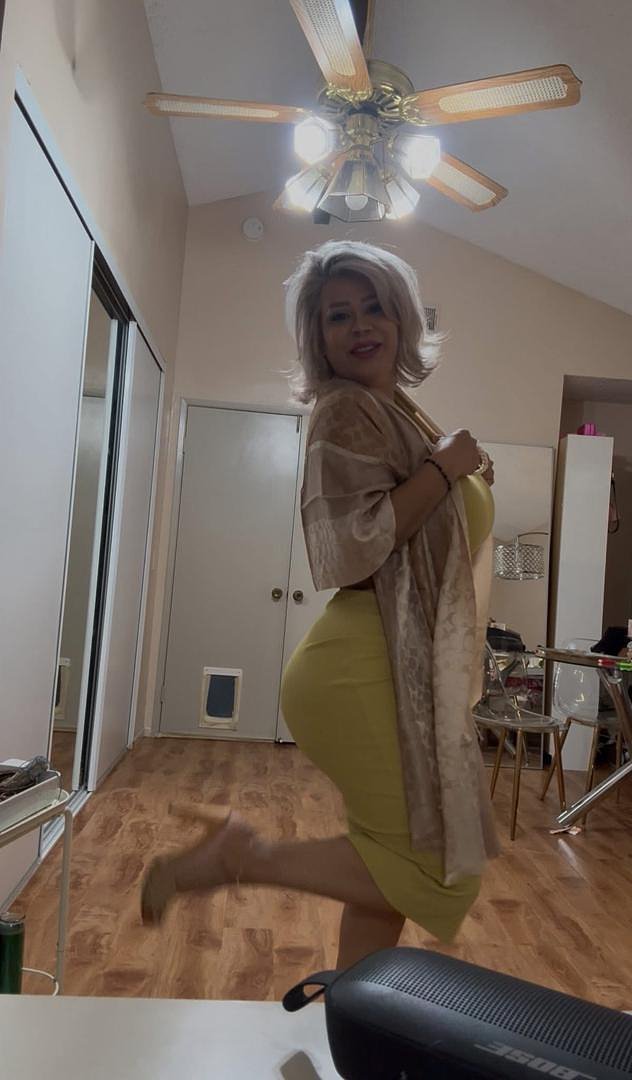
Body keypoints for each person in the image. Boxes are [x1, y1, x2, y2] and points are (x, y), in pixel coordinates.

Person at [141, 239, 499, 970]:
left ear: (401, 320)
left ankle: (353, 1012)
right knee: (426, 862)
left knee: (385, 864)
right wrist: (443, 471)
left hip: (382, 661)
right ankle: (239, 857)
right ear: (319, 336)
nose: (360, 325)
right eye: (339, 315)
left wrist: (453, 469)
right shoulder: (344, 410)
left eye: (374, 308)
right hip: (360, 669)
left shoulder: (397, 410)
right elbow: (353, 546)